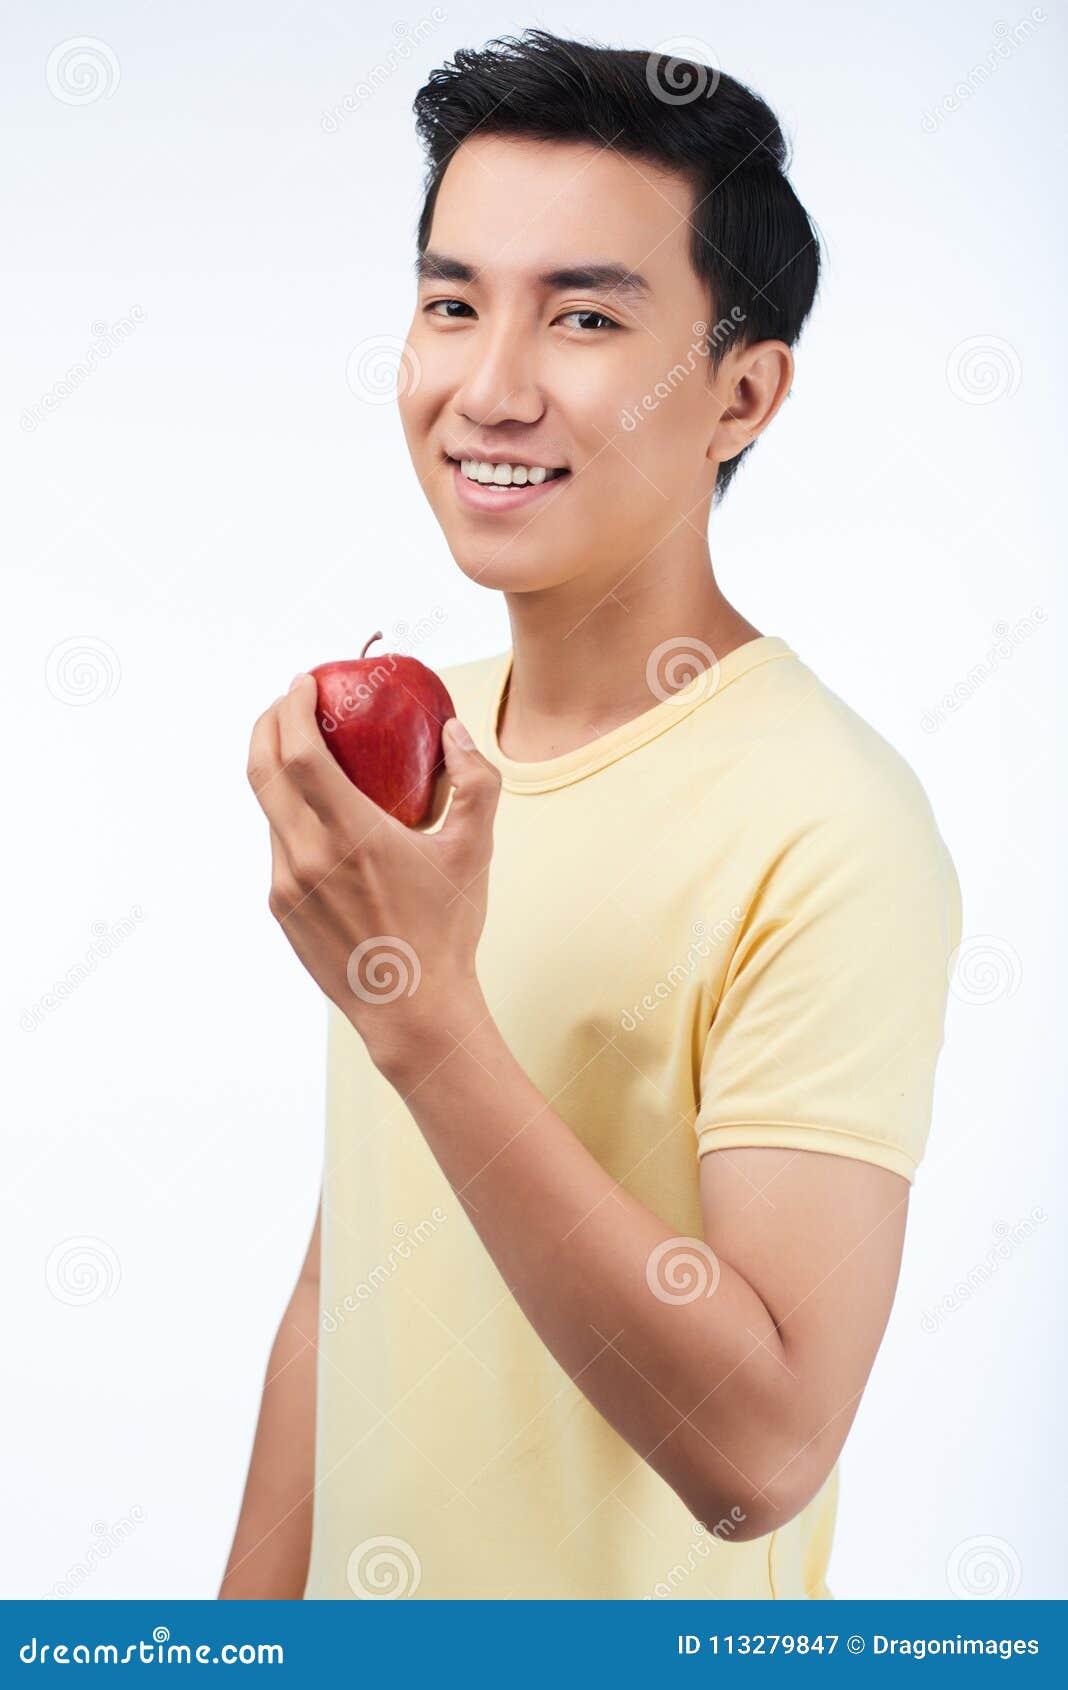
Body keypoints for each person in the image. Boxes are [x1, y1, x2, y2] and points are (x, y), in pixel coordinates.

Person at [222, 29, 962, 1601]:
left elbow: (761, 1456)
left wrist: (420, 1009)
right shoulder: (414, 756)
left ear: (743, 392)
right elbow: (350, 1268)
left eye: (582, 316)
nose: (487, 387)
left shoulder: (829, 824)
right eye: (450, 302)